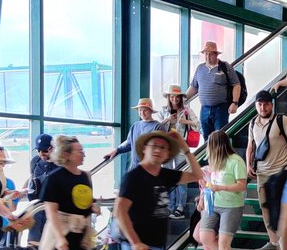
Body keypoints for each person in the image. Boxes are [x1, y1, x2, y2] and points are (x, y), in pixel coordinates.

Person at [246, 89, 287, 250]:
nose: (263, 108)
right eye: (260, 104)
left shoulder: (281, 120)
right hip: (262, 172)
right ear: (256, 106)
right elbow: (251, 146)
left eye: (266, 104)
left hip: (281, 171)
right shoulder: (252, 123)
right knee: (265, 206)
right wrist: (248, 164)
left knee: (284, 206)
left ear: (272, 105)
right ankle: (273, 241)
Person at [197, 130, 248, 250]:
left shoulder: (236, 161)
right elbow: (209, 183)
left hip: (232, 206)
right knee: (204, 236)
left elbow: (242, 185)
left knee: (224, 242)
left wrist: (221, 187)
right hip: (213, 203)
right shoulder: (214, 161)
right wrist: (204, 198)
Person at [15, 133, 55, 250]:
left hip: (53, 211)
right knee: (33, 246)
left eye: (44, 150)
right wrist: (22, 192)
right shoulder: (36, 162)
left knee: (49, 248)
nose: (41, 154)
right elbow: (32, 180)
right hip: (37, 210)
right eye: (39, 150)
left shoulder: (60, 164)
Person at [185, 41, 241, 138]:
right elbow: (194, 87)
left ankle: (219, 153)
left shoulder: (225, 67)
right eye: (206, 54)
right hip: (204, 109)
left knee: (220, 138)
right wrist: (183, 99)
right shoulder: (200, 68)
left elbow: (236, 84)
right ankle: (208, 153)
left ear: (216, 54)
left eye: (210, 54)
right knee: (206, 137)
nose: (207, 56)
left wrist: (235, 103)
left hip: (221, 109)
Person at [160, 86, 199, 217]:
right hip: (166, 147)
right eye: (172, 97)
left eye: (177, 97)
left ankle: (180, 206)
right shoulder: (163, 111)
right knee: (167, 176)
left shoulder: (186, 110)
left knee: (181, 176)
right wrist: (167, 120)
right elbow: (157, 127)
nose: (175, 99)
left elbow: (198, 124)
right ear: (169, 98)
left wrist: (184, 121)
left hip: (181, 147)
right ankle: (170, 206)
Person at [103, 98, 160, 171]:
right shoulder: (135, 126)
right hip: (134, 168)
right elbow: (129, 144)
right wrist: (116, 150)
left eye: (145, 110)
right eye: (140, 110)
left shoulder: (157, 126)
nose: (142, 113)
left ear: (151, 111)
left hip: (150, 169)